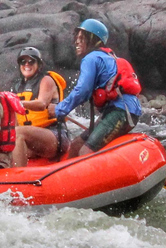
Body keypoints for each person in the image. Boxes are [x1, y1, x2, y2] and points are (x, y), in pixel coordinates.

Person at [48, 19, 142, 158]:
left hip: (120, 112)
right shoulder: (106, 56)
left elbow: (82, 91)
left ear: (92, 39)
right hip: (122, 111)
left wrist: (58, 109)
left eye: (82, 38)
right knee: (76, 146)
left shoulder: (91, 58)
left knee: (85, 152)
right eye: (77, 38)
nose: (77, 42)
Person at [10, 47, 69, 166]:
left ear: (39, 64)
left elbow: (42, 104)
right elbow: (15, 120)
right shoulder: (17, 87)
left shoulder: (46, 80)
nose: (27, 64)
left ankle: (20, 178)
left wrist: (18, 103)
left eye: (31, 61)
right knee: (10, 134)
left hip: (54, 136)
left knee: (18, 133)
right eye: (23, 62)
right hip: (32, 141)